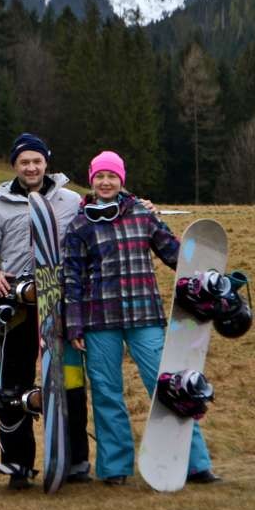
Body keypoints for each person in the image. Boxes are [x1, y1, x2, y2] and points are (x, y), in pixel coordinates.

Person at [63, 150, 220, 485]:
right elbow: (72, 279)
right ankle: (114, 468)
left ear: (122, 179)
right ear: (92, 180)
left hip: (144, 315)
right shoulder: (79, 224)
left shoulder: (141, 214)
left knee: (170, 388)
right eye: (100, 176)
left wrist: (206, 274)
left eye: (112, 176)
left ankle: (195, 464)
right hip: (98, 321)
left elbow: (173, 252)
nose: (106, 182)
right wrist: (74, 322)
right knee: (106, 393)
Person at [0, 133, 90, 490]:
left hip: (61, 305)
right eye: (24, 161)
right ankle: (17, 463)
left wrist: (139, 206)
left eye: (37, 160)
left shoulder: (71, 200)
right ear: (15, 165)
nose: (31, 167)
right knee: (13, 384)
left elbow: (100, 219)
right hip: (17, 306)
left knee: (68, 382)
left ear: (46, 162)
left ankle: (74, 460)